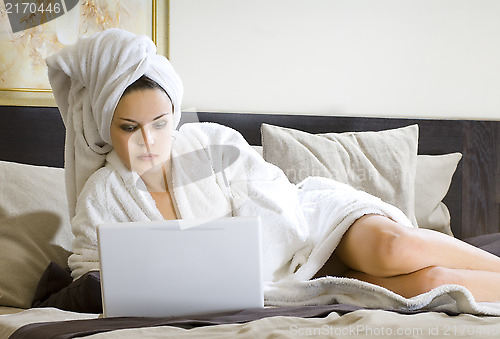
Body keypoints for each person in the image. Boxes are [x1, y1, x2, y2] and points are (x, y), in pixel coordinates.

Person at [47, 28, 500, 306]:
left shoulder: (210, 143)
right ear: (106, 125)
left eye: (161, 124)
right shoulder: (104, 196)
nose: (149, 142)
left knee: (394, 250)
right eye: (129, 127)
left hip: (312, 228)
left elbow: (277, 203)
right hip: (286, 288)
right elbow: (93, 276)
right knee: (435, 284)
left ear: (176, 116)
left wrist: (246, 262)